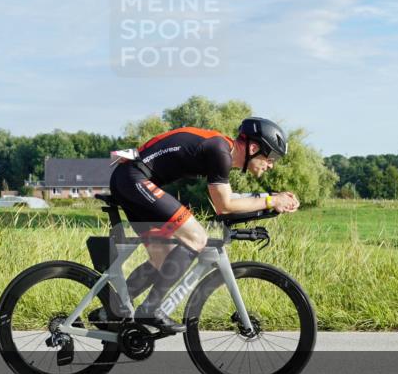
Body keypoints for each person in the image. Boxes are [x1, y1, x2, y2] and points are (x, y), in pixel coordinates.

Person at [102, 117, 300, 333]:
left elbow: (229, 197)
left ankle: (112, 310)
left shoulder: (221, 150)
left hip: (131, 179)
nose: (270, 166)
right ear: (253, 147)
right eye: (270, 158)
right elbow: (224, 206)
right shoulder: (220, 152)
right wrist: (271, 200)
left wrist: (270, 198)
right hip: (134, 179)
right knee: (197, 237)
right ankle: (150, 309)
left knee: (163, 258)